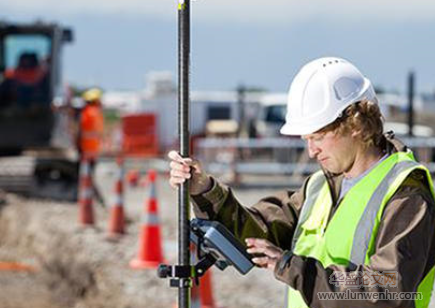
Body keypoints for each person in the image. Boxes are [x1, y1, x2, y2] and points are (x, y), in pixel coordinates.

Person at [169, 57, 435, 308]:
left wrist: (294, 268)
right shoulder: (319, 186)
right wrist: (204, 190)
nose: (311, 151)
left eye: (318, 136)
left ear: (356, 123)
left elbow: (390, 288)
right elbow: (257, 234)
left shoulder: (406, 192)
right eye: (306, 139)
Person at [79, 87, 106, 206]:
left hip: (86, 150)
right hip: (93, 151)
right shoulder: (98, 113)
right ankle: (93, 196)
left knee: (86, 175)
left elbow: (81, 131)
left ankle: (88, 197)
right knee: (90, 175)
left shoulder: (87, 113)